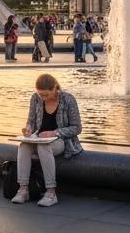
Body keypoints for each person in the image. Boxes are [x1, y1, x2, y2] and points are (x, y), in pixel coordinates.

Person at [12, 73, 83, 208]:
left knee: (44, 147)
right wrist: (28, 130)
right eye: (40, 94)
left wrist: (54, 132)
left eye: (45, 95)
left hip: (61, 140)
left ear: (55, 88)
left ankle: (51, 193)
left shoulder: (68, 99)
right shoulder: (35, 98)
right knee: (23, 146)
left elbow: (77, 128)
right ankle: (23, 189)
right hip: (38, 138)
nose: (42, 98)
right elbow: (31, 122)